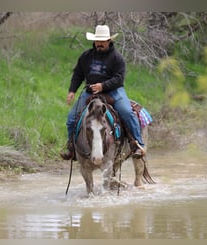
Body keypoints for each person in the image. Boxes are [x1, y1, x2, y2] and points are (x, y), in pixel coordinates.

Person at [60, 25, 145, 160]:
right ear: (94, 41)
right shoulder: (86, 57)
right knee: (71, 119)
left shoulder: (117, 58)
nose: (99, 43)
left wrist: (102, 86)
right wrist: (72, 90)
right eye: (97, 40)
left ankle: (137, 144)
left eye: (102, 41)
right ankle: (72, 147)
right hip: (90, 91)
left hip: (114, 91)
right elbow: (78, 74)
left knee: (127, 113)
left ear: (109, 41)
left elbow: (119, 78)